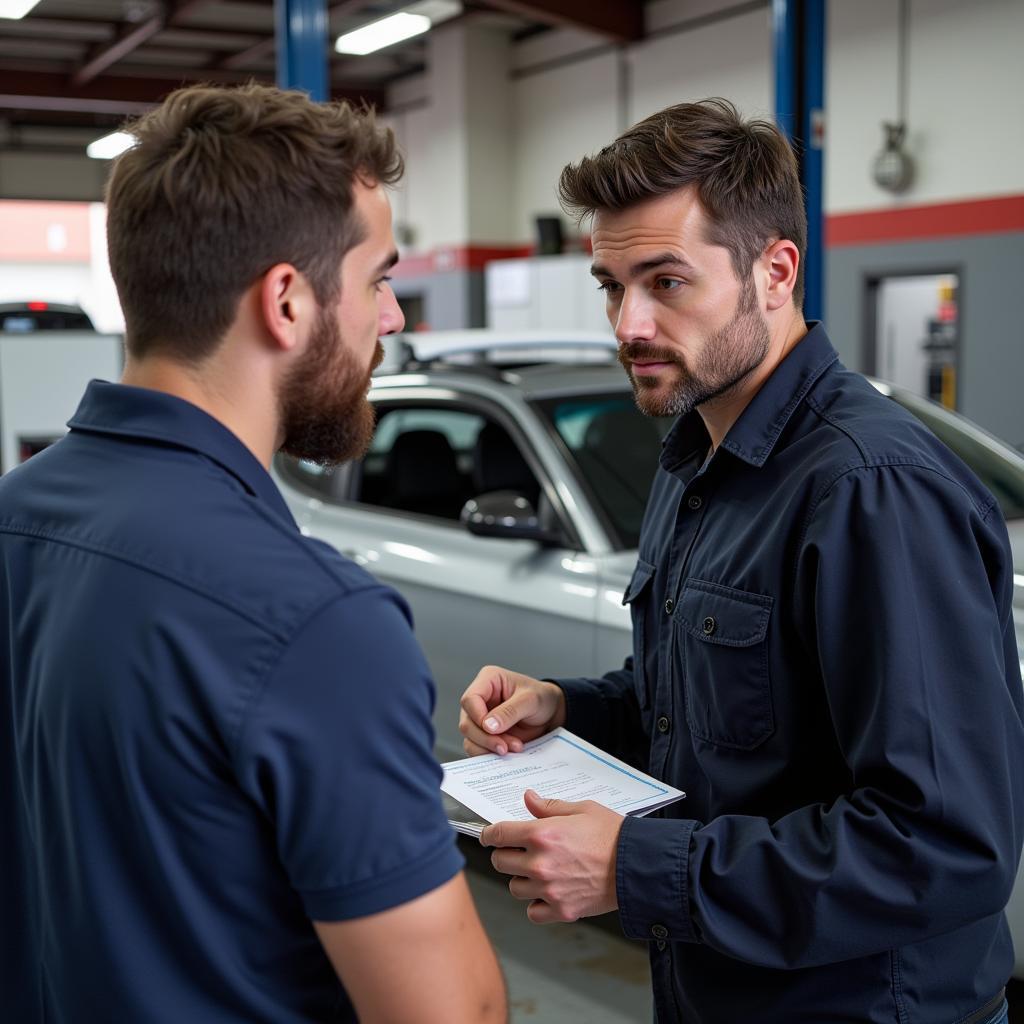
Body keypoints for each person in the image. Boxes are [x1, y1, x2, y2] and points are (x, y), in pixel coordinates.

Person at [459, 98, 1023, 1024]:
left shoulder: (869, 491)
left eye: (666, 281)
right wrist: (571, 708)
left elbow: (945, 844)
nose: (628, 324)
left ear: (776, 270)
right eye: (610, 284)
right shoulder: (696, 458)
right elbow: (714, 719)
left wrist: (634, 868)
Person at [0, 83, 506, 1024]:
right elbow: (449, 1014)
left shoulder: (15, 515)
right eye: (378, 280)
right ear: (286, 300)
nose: (390, 320)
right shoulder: (317, 623)